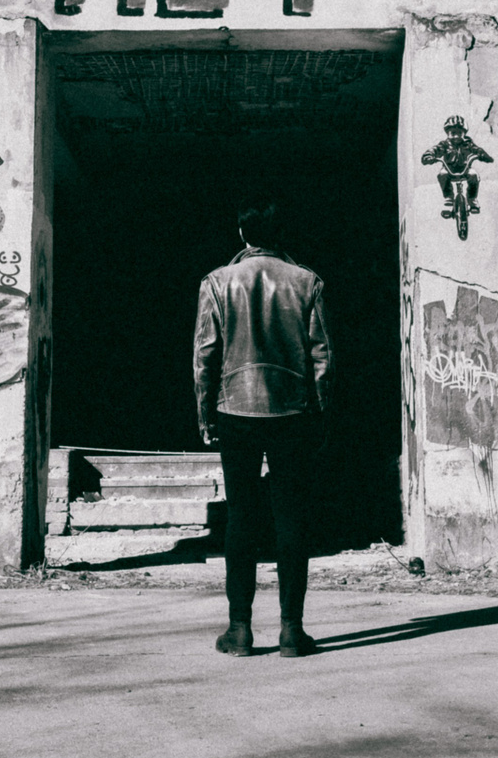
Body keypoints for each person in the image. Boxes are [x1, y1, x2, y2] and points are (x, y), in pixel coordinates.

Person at [193, 200, 332, 657]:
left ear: (242, 233)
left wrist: (205, 413)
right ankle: (292, 630)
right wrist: (320, 413)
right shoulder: (306, 282)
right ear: (279, 233)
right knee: (291, 516)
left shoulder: (217, 282)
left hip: (235, 409)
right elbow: (321, 358)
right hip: (292, 412)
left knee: (241, 516)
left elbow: (205, 355)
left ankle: (240, 630)